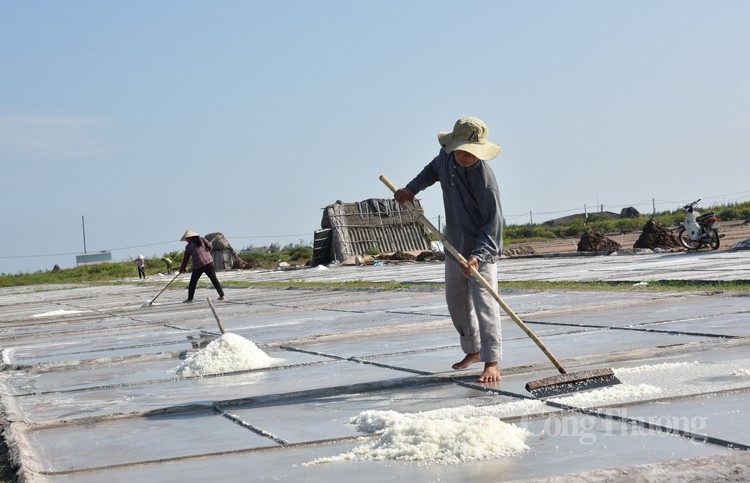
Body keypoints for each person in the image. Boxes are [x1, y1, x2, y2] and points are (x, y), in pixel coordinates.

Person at [394, 116, 503, 383]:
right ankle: (473, 350)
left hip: (481, 251)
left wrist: (478, 256)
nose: (466, 156)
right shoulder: (444, 159)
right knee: (456, 303)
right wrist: (410, 189)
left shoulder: (484, 179)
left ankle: (492, 361)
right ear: (453, 146)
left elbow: (494, 223)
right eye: (462, 150)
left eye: (472, 152)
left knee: (485, 305)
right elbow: (430, 172)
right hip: (454, 245)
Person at [178, 229, 225, 302]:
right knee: (214, 279)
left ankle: (190, 298)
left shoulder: (189, 247)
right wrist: (206, 251)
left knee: (193, 282)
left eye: (186, 239)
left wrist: (182, 268)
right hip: (209, 262)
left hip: (199, 266)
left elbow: (186, 259)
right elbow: (210, 247)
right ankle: (222, 295)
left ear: (190, 238)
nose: (186, 240)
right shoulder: (202, 240)